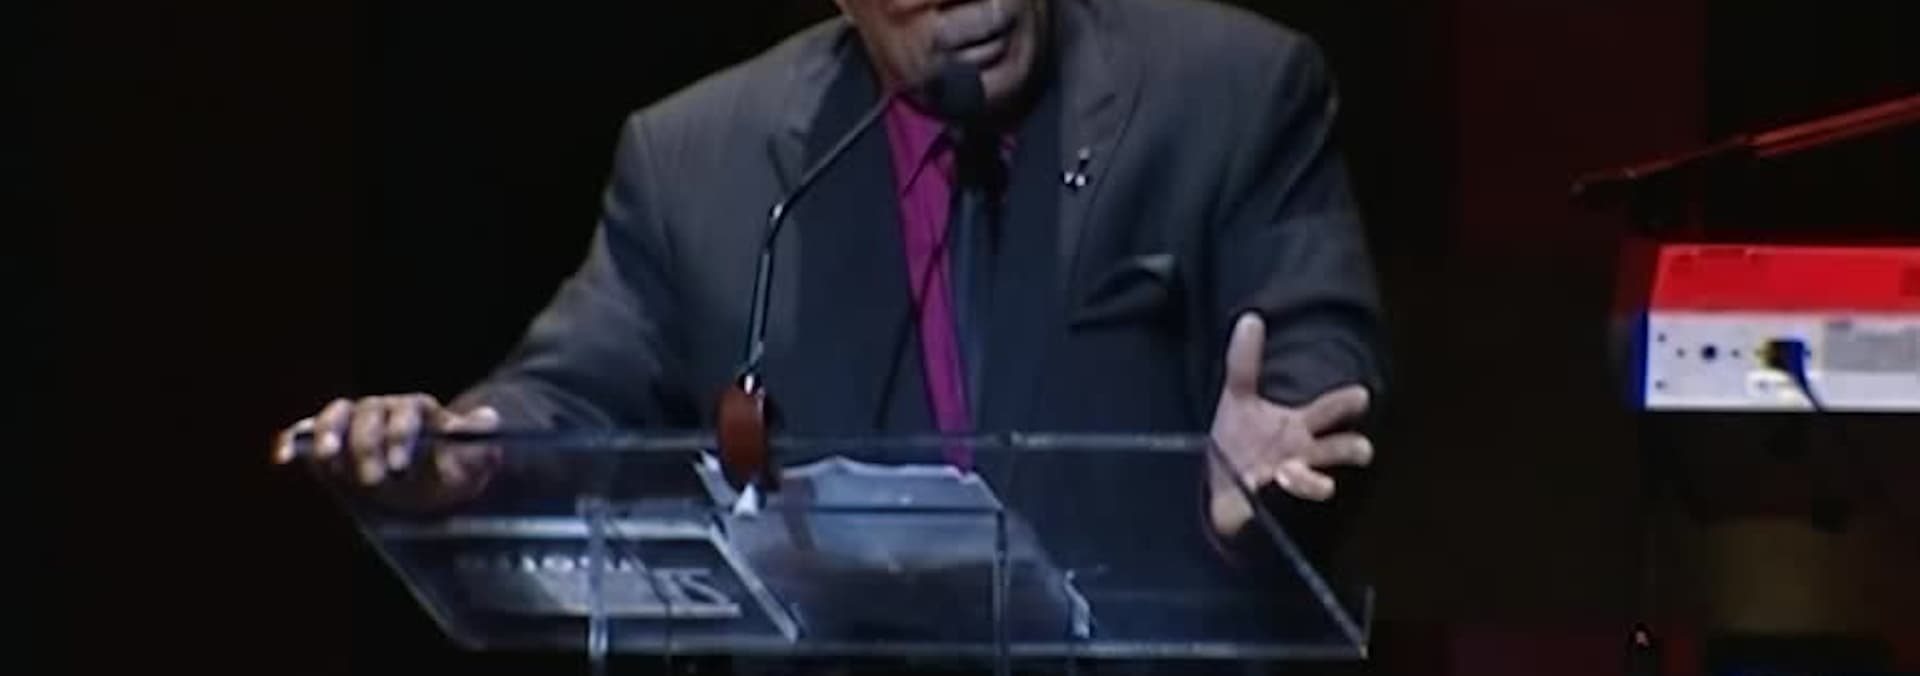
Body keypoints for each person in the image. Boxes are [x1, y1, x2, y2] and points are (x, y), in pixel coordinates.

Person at [276, 0, 1384, 565]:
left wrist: (1265, 487)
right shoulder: (698, 163)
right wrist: (465, 455)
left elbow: (1312, 368)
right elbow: (572, 393)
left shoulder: (1229, 93)